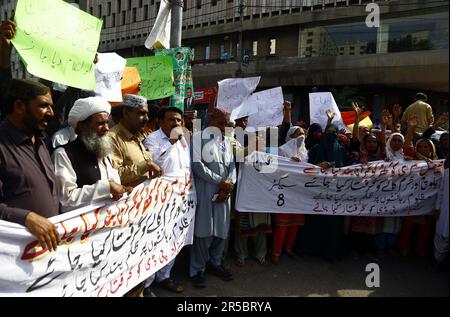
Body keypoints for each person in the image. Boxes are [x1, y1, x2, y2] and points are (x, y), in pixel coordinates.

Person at [0, 79, 60, 252]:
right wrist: (27, 218)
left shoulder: (42, 141)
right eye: (43, 106)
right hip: (14, 259)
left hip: (48, 253)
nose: (51, 113)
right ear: (19, 106)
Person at [52, 97, 131, 212]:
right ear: (81, 126)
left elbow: (113, 187)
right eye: (100, 123)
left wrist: (122, 189)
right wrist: (106, 187)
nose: (107, 128)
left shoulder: (105, 153)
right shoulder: (64, 154)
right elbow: (65, 201)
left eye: (107, 122)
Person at [142, 106, 191, 295]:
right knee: (154, 240)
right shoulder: (152, 140)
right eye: (171, 119)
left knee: (174, 238)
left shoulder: (184, 141)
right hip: (159, 202)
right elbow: (154, 167)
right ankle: (146, 284)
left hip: (181, 200)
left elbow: (186, 169)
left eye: (179, 120)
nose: (176, 123)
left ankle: (164, 276)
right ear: (160, 122)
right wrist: (170, 142)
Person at [190, 108, 236, 288]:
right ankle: (197, 270)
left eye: (227, 124)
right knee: (204, 233)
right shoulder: (197, 138)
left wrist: (229, 184)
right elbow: (197, 166)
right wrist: (220, 181)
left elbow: (232, 166)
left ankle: (215, 263)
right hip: (207, 192)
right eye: (221, 123)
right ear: (211, 119)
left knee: (221, 233)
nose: (224, 127)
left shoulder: (226, 142)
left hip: (224, 194)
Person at [299, 123, 352, 262]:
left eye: (334, 133)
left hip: (335, 194)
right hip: (317, 193)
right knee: (315, 222)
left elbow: (348, 170)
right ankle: (311, 250)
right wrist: (318, 166)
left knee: (333, 226)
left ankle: (332, 252)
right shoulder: (316, 149)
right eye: (328, 132)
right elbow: (306, 168)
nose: (331, 135)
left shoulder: (342, 151)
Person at [109, 94, 162, 188]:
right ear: (126, 113)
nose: (146, 118)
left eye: (147, 114)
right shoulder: (112, 138)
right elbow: (115, 177)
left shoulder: (139, 136)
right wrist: (146, 165)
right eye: (141, 113)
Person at [272, 126, 308, 264]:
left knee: (295, 223)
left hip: (299, 192)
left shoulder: (305, 152)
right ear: (291, 136)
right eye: (298, 134)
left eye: (303, 134)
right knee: (283, 224)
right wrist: (289, 162)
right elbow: (277, 170)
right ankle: (276, 252)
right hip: (285, 190)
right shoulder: (282, 150)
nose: (302, 137)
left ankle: (288, 248)